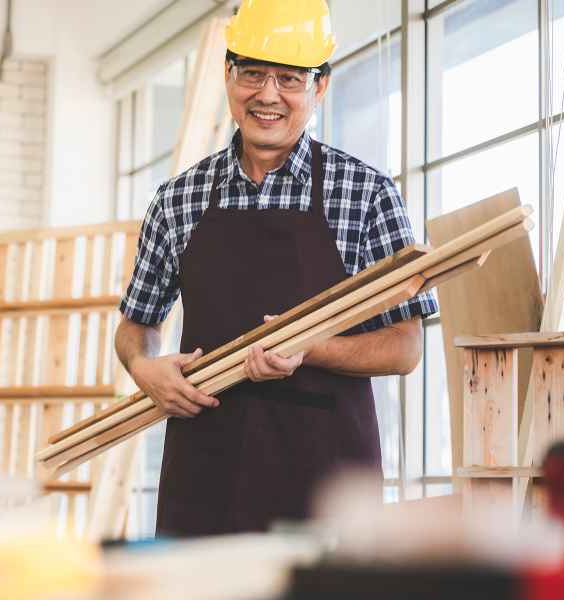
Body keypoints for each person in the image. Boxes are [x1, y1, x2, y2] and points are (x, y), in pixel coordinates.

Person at [115, 0, 438, 537]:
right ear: (227, 75)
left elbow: (406, 347)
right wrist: (144, 368)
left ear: (320, 87)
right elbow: (136, 324)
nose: (268, 95)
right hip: (204, 484)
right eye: (253, 73)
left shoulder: (367, 195)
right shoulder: (176, 201)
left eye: (289, 78)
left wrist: (311, 348)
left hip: (326, 495)